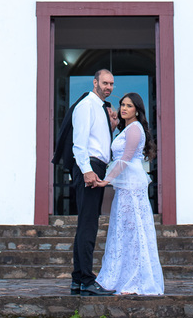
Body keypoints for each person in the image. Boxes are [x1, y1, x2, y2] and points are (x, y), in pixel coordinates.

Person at [94, 92, 164, 295]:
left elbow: (124, 159)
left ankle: (136, 280)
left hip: (131, 186)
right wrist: (114, 127)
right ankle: (122, 275)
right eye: (122, 105)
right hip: (125, 187)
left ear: (137, 110)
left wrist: (106, 180)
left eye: (129, 106)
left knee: (134, 232)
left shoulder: (135, 129)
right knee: (124, 230)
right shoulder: (127, 129)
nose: (124, 108)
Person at [67, 70, 116, 296]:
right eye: (105, 83)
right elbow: (80, 143)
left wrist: (112, 128)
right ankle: (87, 279)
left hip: (97, 166)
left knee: (86, 224)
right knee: (88, 226)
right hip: (90, 169)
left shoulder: (100, 108)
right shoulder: (87, 105)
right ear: (95, 82)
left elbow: (98, 140)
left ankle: (78, 279)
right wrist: (87, 171)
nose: (109, 87)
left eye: (111, 84)